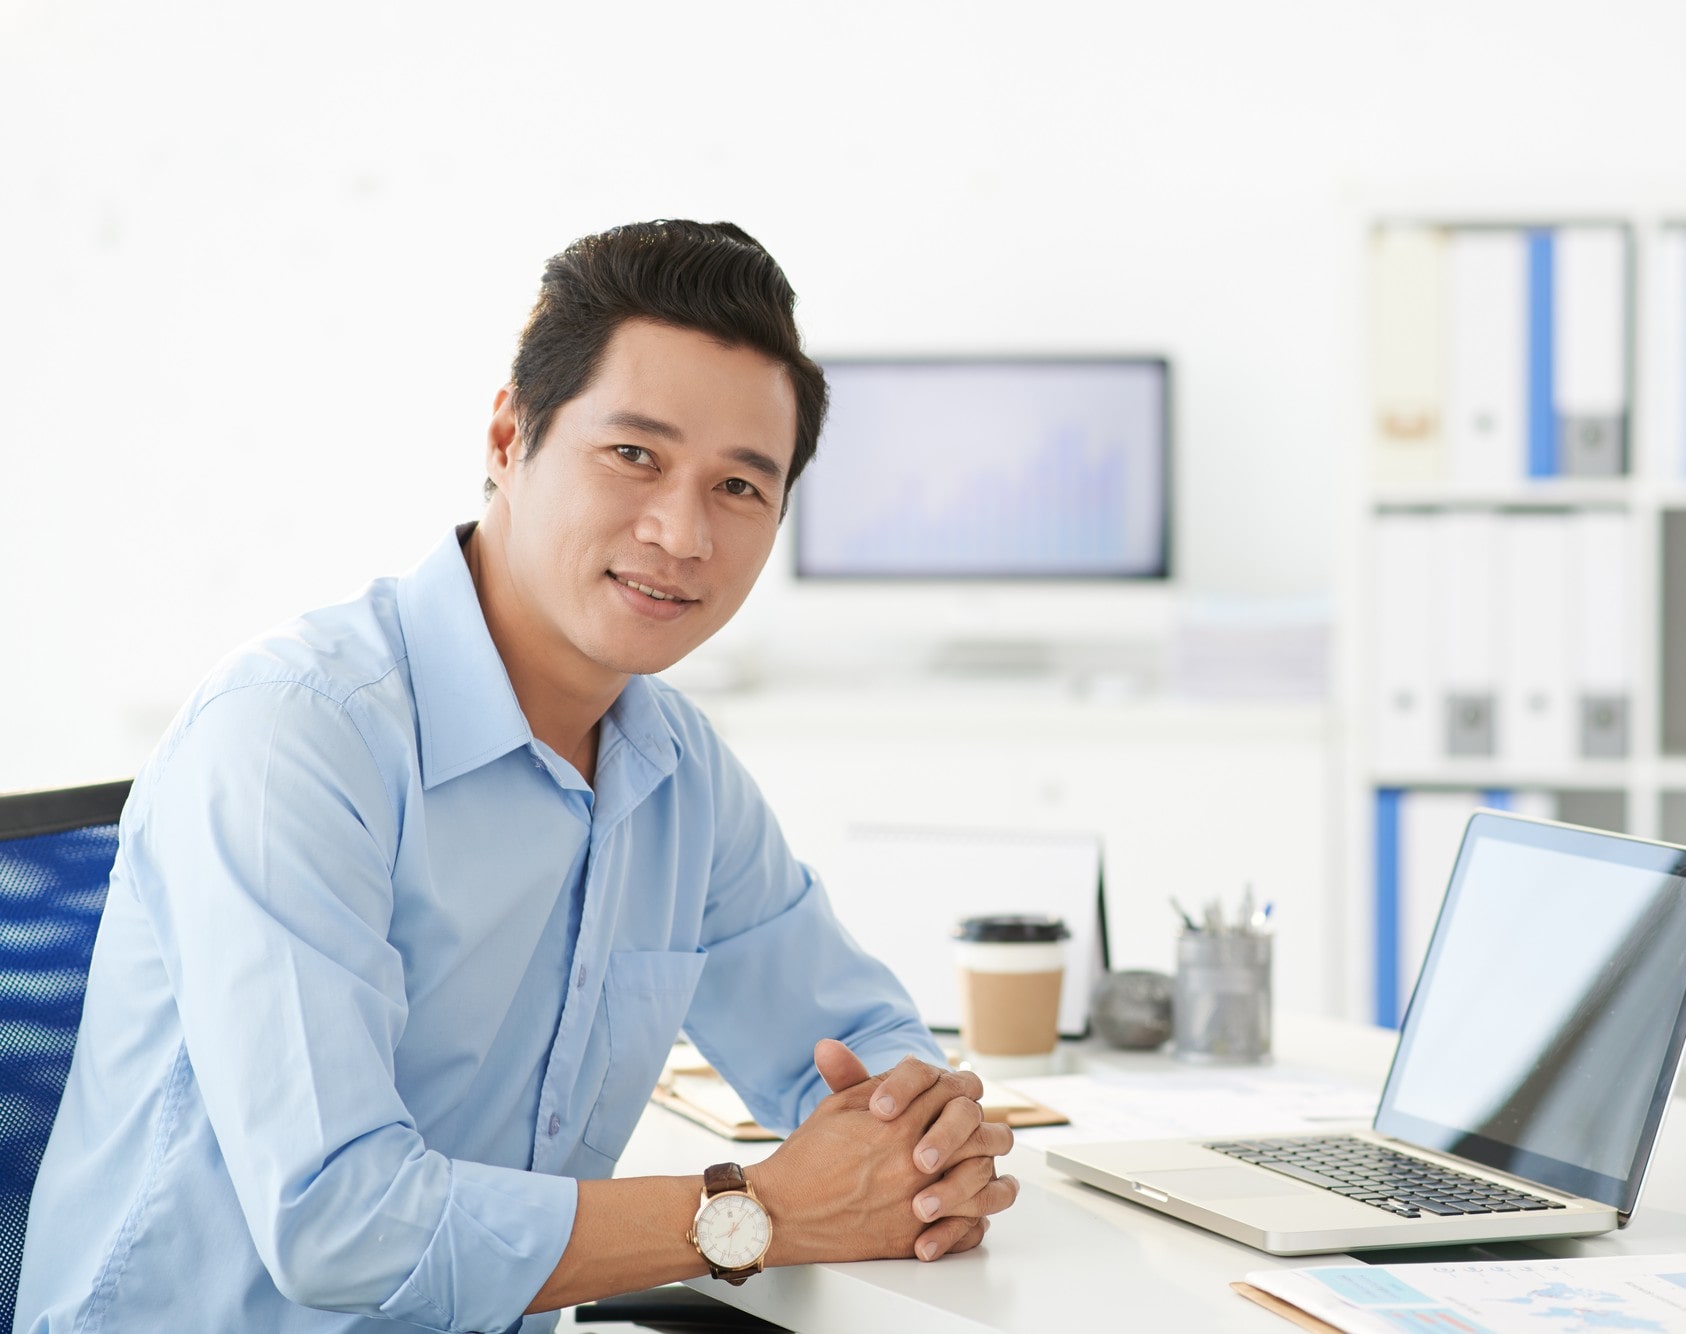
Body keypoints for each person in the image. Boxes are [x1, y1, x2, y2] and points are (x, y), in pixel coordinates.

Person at [16, 220, 1019, 1333]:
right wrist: (759, 1213)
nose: (681, 531)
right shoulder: (294, 737)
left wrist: (927, 1144)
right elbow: (340, 1223)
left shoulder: (677, 771)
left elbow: (859, 1042)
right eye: (633, 454)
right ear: (508, 434)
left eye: (739, 484)